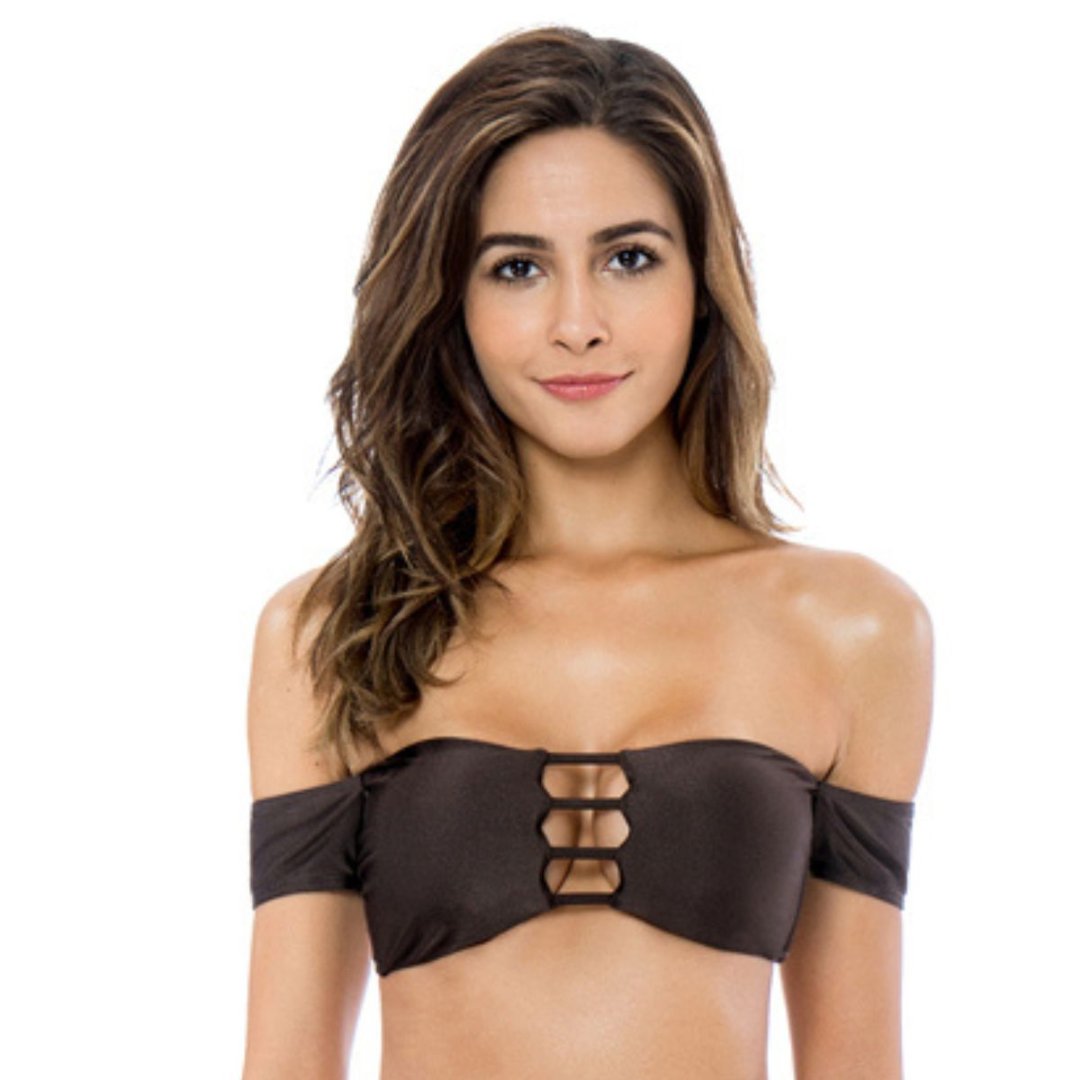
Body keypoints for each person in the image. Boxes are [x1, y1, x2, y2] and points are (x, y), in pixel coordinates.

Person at [241, 24, 934, 1080]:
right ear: (454, 300)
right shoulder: (335, 631)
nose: (578, 324)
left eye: (628, 258)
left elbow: (857, 1065)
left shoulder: (854, 631)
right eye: (518, 268)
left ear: (703, 278)